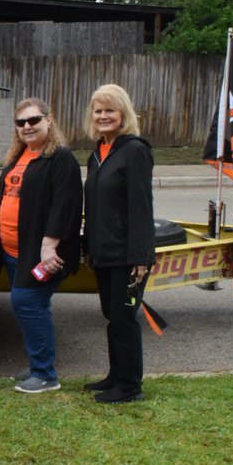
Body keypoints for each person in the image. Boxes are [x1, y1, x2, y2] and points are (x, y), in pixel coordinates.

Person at [0, 97, 82, 394]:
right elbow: (1, 198)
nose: (27, 126)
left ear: (48, 121)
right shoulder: (19, 156)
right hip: (12, 250)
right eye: (21, 122)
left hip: (39, 253)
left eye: (33, 120)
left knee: (26, 303)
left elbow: (66, 206)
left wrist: (49, 246)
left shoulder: (61, 159)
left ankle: (45, 374)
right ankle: (38, 363)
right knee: (34, 306)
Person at [82, 84, 154, 403]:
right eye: (98, 110)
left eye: (109, 110)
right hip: (104, 254)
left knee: (124, 317)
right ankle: (116, 375)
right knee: (112, 316)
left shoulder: (135, 151)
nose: (103, 116)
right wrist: (88, 249)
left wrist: (141, 256)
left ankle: (129, 386)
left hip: (128, 256)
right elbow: (94, 207)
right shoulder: (97, 154)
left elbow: (141, 206)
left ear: (123, 113)